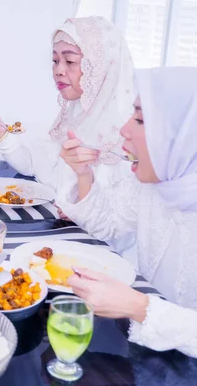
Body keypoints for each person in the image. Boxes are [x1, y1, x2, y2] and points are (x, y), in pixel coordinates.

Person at [58, 67, 197, 357]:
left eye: (141, 119)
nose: (123, 130)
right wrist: (83, 174)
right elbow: (107, 224)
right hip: (147, 349)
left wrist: (139, 307)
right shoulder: (153, 185)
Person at [0, 16, 134, 197]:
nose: (58, 70)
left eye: (70, 61)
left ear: (99, 66)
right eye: (55, 60)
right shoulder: (75, 114)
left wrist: (80, 210)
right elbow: (37, 168)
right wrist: (0, 132)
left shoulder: (126, 137)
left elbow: (118, 215)